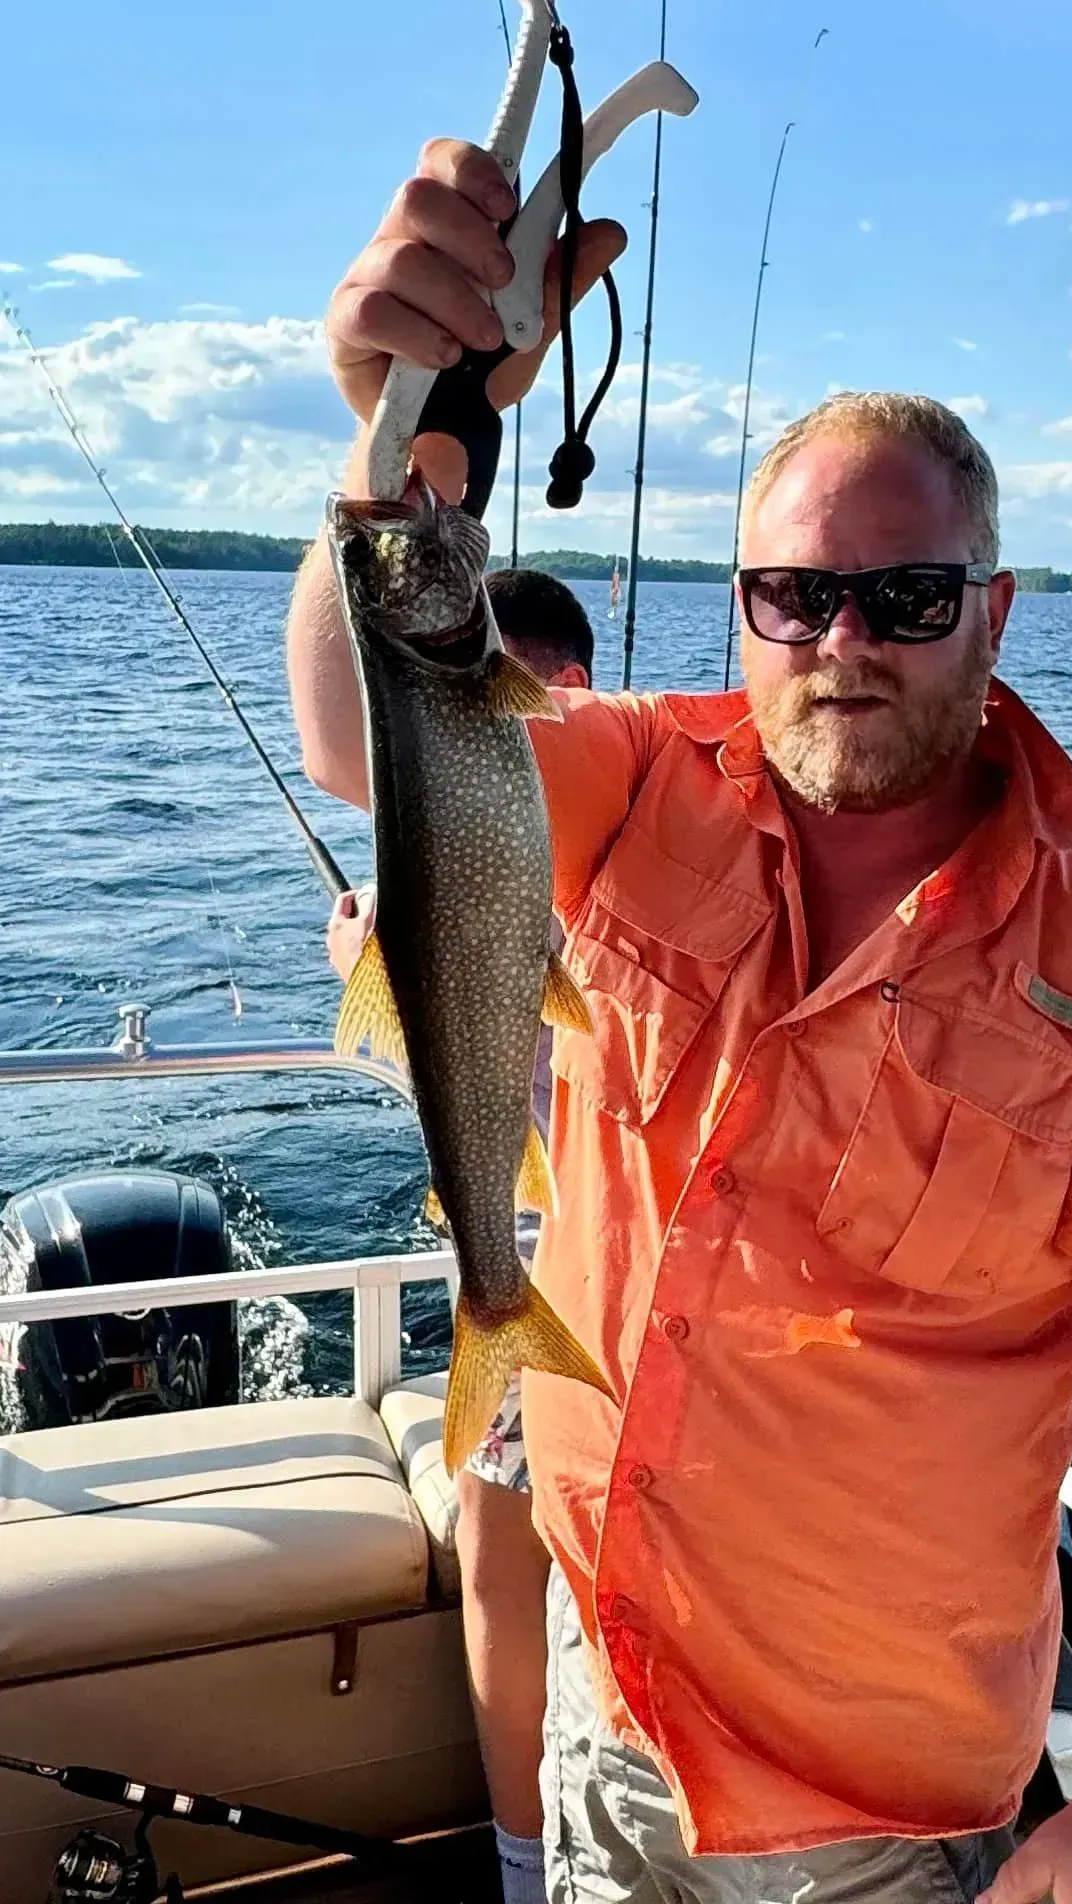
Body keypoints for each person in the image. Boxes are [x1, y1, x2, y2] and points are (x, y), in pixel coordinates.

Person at [286, 137, 1072, 1904]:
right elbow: (384, 741)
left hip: (884, 1823)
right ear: (742, 612)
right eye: (794, 595)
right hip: (610, 1721)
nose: (847, 639)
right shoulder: (632, 780)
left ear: (991, 610)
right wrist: (402, 445)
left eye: (905, 597)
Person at [325, 565, 595, 1904]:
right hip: (522, 1247)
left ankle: (530, 1867)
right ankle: (528, 1860)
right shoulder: (588, 834)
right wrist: (379, 970)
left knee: (516, 1578)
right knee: (502, 1571)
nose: (541, 717)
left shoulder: (600, 825)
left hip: (572, 1262)